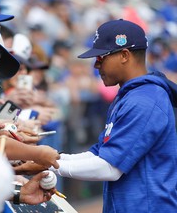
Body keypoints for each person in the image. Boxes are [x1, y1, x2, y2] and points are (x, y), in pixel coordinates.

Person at [48, 19, 177, 212]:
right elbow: (99, 152)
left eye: (101, 58)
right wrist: (53, 159)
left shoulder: (145, 99)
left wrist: (50, 164)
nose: (96, 65)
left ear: (124, 55)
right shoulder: (129, 95)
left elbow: (109, 167)